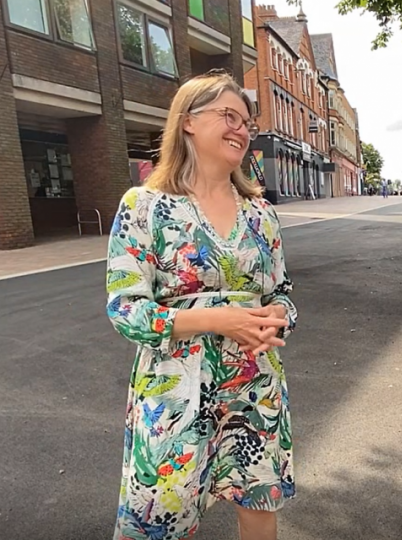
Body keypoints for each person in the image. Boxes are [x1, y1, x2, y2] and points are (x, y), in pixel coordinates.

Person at [106, 71, 298, 540]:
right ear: (188, 121)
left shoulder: (261, 213)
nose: (241, 129)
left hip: (255, 385)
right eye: (228, 116)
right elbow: (126, 310)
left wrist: (279, 317)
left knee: (258, 502)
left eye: (247, 122)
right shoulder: (145, 206)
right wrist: (217, 319)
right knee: (161, 519)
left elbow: (282, 294)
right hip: (175, 392)